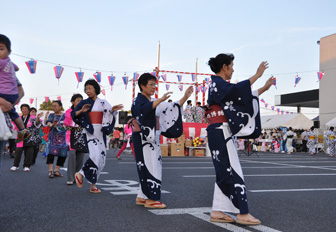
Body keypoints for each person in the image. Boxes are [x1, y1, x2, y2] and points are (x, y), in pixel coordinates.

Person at [205, 53, 273, 225]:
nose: (233, 69)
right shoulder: (219, 85)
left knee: (224, 171)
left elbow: (239, 97)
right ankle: (242, 213)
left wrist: (264, 88)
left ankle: (217, 210)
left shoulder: (217, 85)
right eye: (232, 66)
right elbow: (236, 92)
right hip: (221, 130)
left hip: (219, 130)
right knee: (233, 170)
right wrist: (257, 75)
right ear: (224, 67)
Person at [131, 73, 193, 208]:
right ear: (142, 86)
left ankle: (142, 195)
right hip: (145, 138)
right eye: (151, 84)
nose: (154, 87)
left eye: (155, 84)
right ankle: (152, 199)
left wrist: (185, 97)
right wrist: (159, 100)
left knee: (146, 164)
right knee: (151, 164)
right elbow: (143, 110)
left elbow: (172, 107)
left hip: (150, 137)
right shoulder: (139, 102)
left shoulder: (153, 101)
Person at [73, 79, 123, 193]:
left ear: (96, 88)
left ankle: (93, 185)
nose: (88, 91)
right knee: (95, 156)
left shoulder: (103, 102)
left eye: (90, 88)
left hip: (101, 132)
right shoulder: (83, 102)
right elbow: (74, 114)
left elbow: (110, 113)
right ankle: (80, 173)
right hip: (90, 131)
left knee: (101, 160)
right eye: (86, 89)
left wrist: (112, 111)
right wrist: (81, 110)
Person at [0, 34, 30, 142]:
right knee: (14, 113)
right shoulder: (9, 62)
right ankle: (23, 130)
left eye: (1, 49)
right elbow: (17, 68)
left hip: (4, 94)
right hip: (13, 95)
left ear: (9, 51)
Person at [10, 104, 42, 172]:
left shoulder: (32, 117)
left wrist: (38, 118)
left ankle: (26, 166)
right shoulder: (18, 117)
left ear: (28, 110)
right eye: (23, 109)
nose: (24, 110)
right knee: (18, 151)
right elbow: (13, 125)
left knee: (29, 151)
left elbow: (37, 124)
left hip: (30, 135)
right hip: (21, 134)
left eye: (25, 108)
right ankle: (15, 165)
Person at [64, 94, 87, 185]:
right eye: (77, 100)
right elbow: (68, 122)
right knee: (72, 155)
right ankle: (70, 178)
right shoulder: (69, 111)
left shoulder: (85, 111)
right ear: (73, 102)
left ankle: (77, 177)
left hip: (81, 136)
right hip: (71, 136)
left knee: (80, 157)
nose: (79, 102)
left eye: (81, 100)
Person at [44, 100, 68, 178]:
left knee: (63, 154)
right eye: (53, 106)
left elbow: (68, 124)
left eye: (55, 106)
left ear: (60, 107)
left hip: (63, 138)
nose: (53, 107)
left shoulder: (65, 116)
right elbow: (48, 123)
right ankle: (50, 170)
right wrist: (52, 124)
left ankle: (56, 170)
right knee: (51, 153)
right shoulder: (51, 115)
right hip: (53, 138)